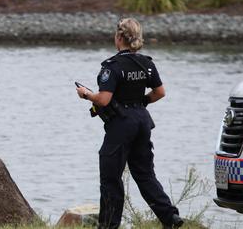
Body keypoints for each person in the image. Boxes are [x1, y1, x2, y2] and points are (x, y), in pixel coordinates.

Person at [75, 18, 184, 229]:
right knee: (145, 175)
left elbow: (104, 100)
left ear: (118, 38)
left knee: (110, 178)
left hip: (121, 126)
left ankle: (108, 226)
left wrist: (87, 94)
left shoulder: (111, 67)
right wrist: (141, 102)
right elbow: (160, 92)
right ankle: (170, 217)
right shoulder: (147, 63)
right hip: (142, 122)